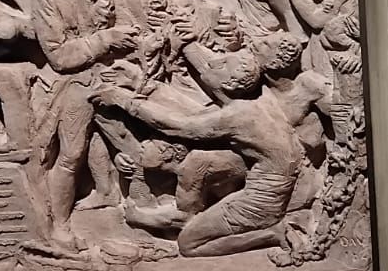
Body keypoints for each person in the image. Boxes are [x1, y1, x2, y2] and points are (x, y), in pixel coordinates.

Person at [94, 49, 310, 257]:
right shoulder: (259, 101)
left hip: (262, 201)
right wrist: (138, 82)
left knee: (188, 244)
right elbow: (195, 114)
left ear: (229, 84)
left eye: (223, 64)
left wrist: (124, 100)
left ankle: (271, 234)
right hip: (278, 185)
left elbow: (179, 126)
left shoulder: (238, 116)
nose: (213, 62)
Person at [29, 0, 141, 247]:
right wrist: (106, 39)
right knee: (71, 155)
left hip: (108, 78)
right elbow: (59, 55)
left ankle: (119, 203)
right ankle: (59, 227)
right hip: (70, 84)